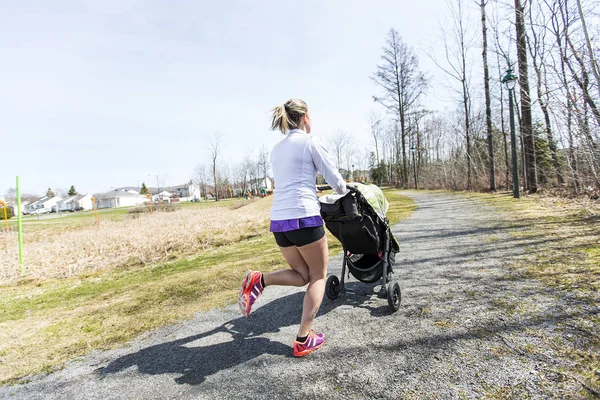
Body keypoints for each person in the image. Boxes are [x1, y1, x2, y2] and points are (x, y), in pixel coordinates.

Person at [238, 99, 346, 357]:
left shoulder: (277, 149)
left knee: (302, 276)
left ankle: (260, 279)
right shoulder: (311, 142)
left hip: (279, 222)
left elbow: (292, 180)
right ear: (305, 116)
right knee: (318, 276)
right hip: (304, 218)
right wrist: (343, 188)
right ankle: (303, 339)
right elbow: (337, 183)